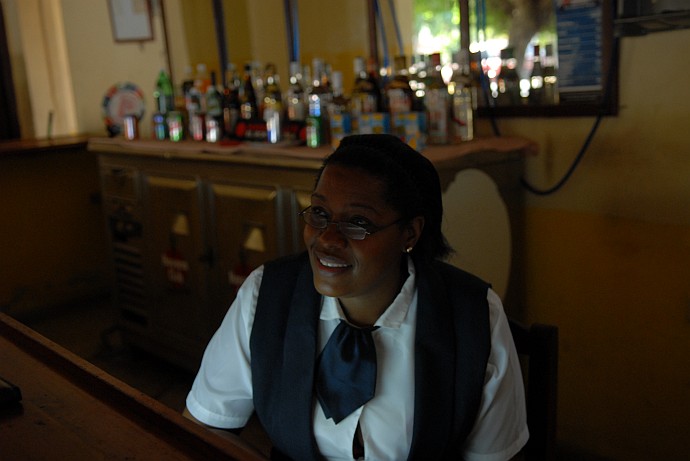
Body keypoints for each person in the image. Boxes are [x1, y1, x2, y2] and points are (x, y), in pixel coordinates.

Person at [184, 134, 528, 460]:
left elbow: (494, 454)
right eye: (319, 213)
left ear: (410, 232)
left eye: (358, 221)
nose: (327, 239)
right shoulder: (267, 296)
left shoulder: (472, 315)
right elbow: (204, 429)